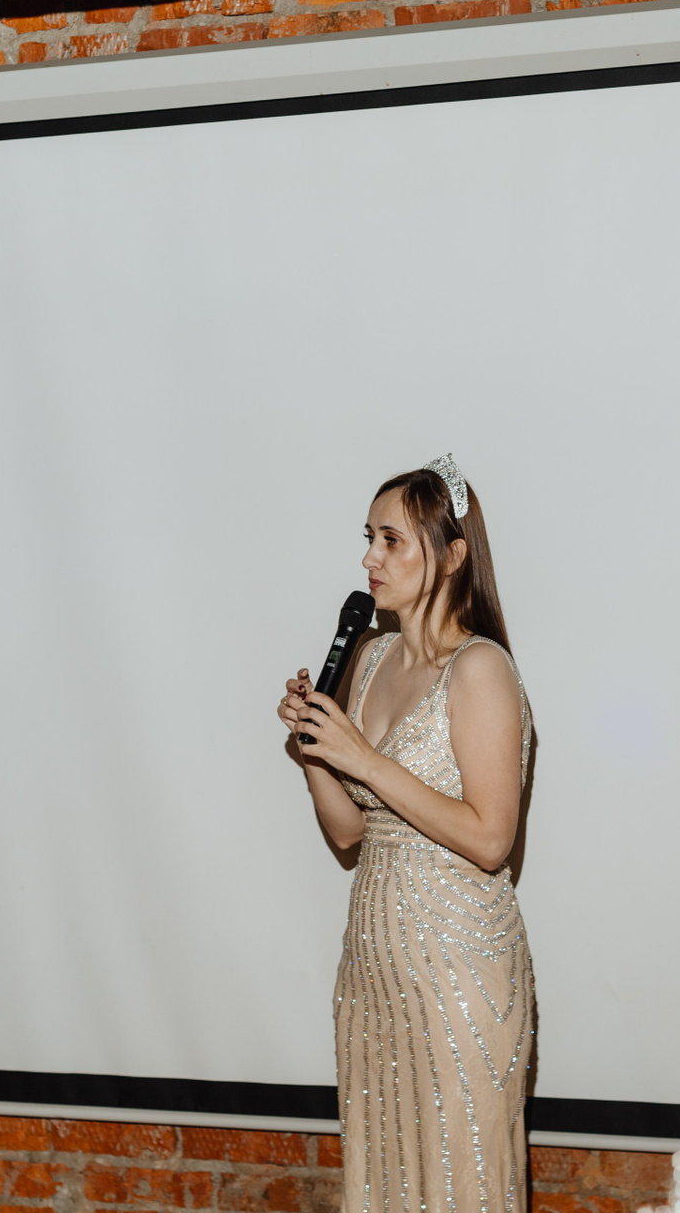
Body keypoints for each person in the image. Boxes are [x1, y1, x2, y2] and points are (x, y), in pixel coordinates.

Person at [277, 454, 534, 1213]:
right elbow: (350, 834)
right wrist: (317, 751)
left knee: (463, 1185)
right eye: (369, 538)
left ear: (452, 556)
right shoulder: (369, 657)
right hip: (374, 966)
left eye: (392, 540)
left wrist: (363, 757)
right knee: (383, 1181)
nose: (370, 558)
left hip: (458, 970)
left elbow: (491, 838)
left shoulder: (481, 668)